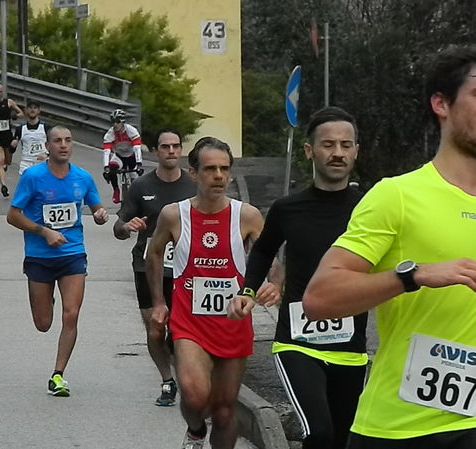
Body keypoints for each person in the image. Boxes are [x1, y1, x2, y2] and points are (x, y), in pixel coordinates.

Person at [302, 45, 476, 448]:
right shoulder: (396, 196)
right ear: (441, 104)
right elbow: (319, 298)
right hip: (403, 429)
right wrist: (412, 276)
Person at [228, 106, 367, 449]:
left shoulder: (370, 207)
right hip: (297, 340)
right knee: (318, 432)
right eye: (328, 144)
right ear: (309, 151)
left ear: (356, 151)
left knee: (341, 438)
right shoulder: (288, 208)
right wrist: (248, 289)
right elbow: (262, 250)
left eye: (346, 145)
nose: (338, 153)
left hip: (351, 346)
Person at [146, 137, 270, 449]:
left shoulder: (248, 216)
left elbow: (270, 259)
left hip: (233, 323)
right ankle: (196, 429)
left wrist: (270, 285)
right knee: (195, 395)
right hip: (190, 323)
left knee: (226, 411)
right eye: (210, 168)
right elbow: (154, 253)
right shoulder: (174, 215)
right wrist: (160, 303)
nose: (218, 176)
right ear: (193, 173)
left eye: (224, 169)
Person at [7, 125, 109, 397]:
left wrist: (100, 215)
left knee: (72, 313)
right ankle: (46, 299)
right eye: (57, 141)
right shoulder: (33, 177)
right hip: (40, 256)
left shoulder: (83, 178)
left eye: (68, 140)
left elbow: (97, 206)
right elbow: (13, 215)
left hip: (72, 255)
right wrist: (44, 231)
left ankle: (58, 374)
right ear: (48, 146)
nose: (63, 145)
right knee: (43, 323)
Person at [113, 128, 197, 406]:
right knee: (155, 328)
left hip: (185, 266)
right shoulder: (141, 186)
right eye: (165, 147)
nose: (171, 151)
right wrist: (127, 226)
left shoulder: (194, 185)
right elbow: (118, 227)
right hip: (148, 266)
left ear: (181, 149)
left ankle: (186, 377)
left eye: (176, 146)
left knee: (181, 329)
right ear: (156, 152)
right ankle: (167, 379)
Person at [102, 109, 144, 204]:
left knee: (135, 181)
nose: (115, 125)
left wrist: (139, 163)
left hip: (131, 157)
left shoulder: (131, 131)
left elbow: (137, 148)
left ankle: (136, 197)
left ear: (123, 122)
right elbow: (106, 151)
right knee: (112, 167)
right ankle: (116, 190)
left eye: (117, 122)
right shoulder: (110, 134)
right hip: (119, 157)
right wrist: (106, 167)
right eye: (113, 122)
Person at [11, 100, 50, 175]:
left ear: (38, 111)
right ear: (26, 110)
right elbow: (12, 150)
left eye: (35, 108)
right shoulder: (20, 129)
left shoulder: (46, 127)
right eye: (30, 108)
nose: (32, 110)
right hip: (26, 163)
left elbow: (54, 145)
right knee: (26, 185)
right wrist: (12, 146)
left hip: (42, 162)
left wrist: (47, 154)